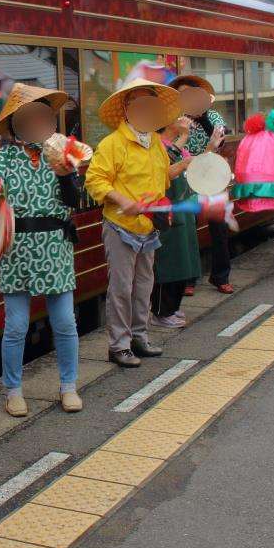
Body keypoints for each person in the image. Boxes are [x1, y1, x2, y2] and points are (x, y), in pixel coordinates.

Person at [0, 83, 82, 416]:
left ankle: (69, 387)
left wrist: (66, 176)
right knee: (16, 325)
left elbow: (73, 201)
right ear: (15, 124)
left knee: (65, 322)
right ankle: (13, 391)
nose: (40, 124)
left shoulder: (66, 157)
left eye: (45, 118)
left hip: (55, 246)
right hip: (16, 249)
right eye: (31, 118)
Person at [85, 77, 177, 369]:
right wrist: (123, 201)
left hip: (147, 227)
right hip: (120, 226)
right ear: (127, 110)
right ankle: (118, 345)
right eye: (141, 106)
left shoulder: (156, 145)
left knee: (143, 285)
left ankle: (139, 336)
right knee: (121, 288)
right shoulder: (112, 144)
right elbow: (95, 180)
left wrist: (186, 166)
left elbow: (162, 179)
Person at [169, 74, 233, 294]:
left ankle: (220, 276)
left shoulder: (212, 115)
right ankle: (188, 279)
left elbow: (221, 139)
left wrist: (203, 117)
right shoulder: (173, 117)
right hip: (183, 176)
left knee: (219, 227)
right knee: (188, 228)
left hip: (211, 175)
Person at [150, 115, 201, 328]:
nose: (184, 119)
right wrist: (184, 163)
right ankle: (162, 311)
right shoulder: (155, 144)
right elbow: (165, 172)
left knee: (182, 260)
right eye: (177, 117)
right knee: (169, 262)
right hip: (167, 209)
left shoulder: (171, 144)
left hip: (181, 208)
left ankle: (172, 308)